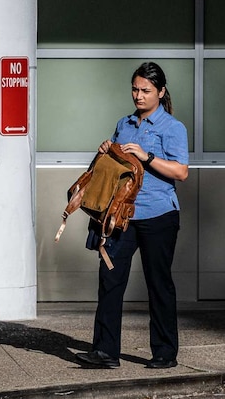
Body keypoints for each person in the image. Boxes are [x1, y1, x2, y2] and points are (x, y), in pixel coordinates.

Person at [75, 62, 189, 370]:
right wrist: (105, 150)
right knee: (110, 278)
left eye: (146, 90)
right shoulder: (124, 123)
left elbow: (181, 171)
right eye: (135, 89)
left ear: (161, 92)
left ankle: (165, 353)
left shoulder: (172, 128)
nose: (138, 96)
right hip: (121, 216)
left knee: (158, 283)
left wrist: (147, 156)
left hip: (159, 216)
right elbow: (115, 165)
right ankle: (105, 352)